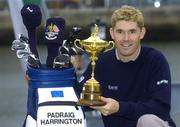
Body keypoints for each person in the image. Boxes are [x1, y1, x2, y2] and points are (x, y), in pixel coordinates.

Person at [79, 5, 176, 127]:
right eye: (120, 32)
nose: (126, 39)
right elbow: (79, 95)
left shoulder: (155, 60)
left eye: (132, 31)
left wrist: (119, 107)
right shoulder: (102, 61)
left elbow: (161, 108)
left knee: (148, 121)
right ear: (112, 33)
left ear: (142, 33)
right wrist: (70, 69)